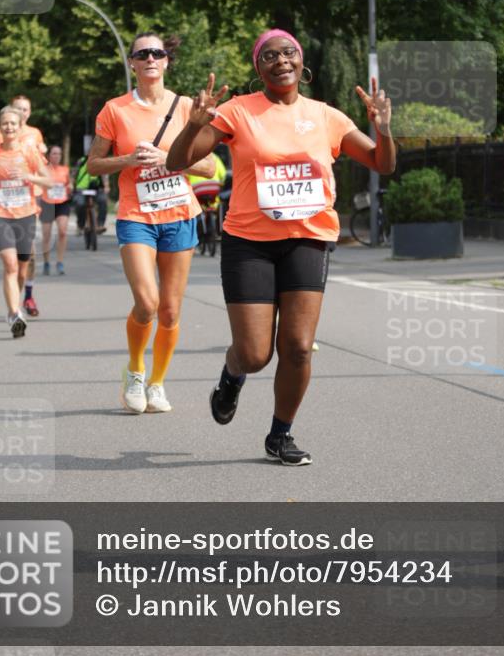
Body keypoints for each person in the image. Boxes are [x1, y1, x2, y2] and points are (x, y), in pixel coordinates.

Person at [166, 28, 396, 466]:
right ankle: (232, 377)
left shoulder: (327, 116)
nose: (281, 60)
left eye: (288, 52)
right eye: (269, 55)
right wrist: (195, 124)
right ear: (259, 68)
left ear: (300, 61)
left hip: (308, 240)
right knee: (255, 354)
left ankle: (280, 434)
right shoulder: (237, 112)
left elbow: (382, 163)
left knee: (298, 347)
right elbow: (178, 162)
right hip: (249, 241)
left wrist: (383, 129)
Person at [87, 32, 216, 415]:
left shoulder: (186, 107)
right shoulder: (114, 110)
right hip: (135, 214)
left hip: (179, 213)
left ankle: (158, 383)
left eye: (157, 53)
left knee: (171, 311)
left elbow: (209, 166)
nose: (150, 59)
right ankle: (136, 370)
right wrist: (127, 161)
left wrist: (167, 157)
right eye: (142, 53)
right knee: (147, 302)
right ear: (132, 63)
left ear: (166, 61)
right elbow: (94, 164)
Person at [0, 106, 53, 338]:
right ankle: (14, 314)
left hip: (26, 214)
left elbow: (48, 180)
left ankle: (17, 302)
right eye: (5, 124)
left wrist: (28, 177)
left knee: (22, 269)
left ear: (20, 125)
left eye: (13, 123)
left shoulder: (29, 151)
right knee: (10, 265)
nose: (9, 127)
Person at [41, 145, 72, 275]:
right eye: (54, 153)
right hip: (47, 204)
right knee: (47, 235)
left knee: (63, 231)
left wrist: (70, 186)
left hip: (62, 203)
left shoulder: (65, 169)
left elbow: (69, 183)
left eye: (59, 154)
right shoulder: (43, 170)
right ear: (49, 156)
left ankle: (59, 262)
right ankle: (46, 262)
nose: (56, 156)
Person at [73, 154, 109, 234]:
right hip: (81, 188)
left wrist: (106, 185)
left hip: (96, 187)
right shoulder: (81, 160)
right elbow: (74, 174)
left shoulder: (100, 160)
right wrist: (72, 185)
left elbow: (104, 174)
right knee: (80, 204)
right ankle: (80, 225)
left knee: (103, 201)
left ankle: (100, 224)